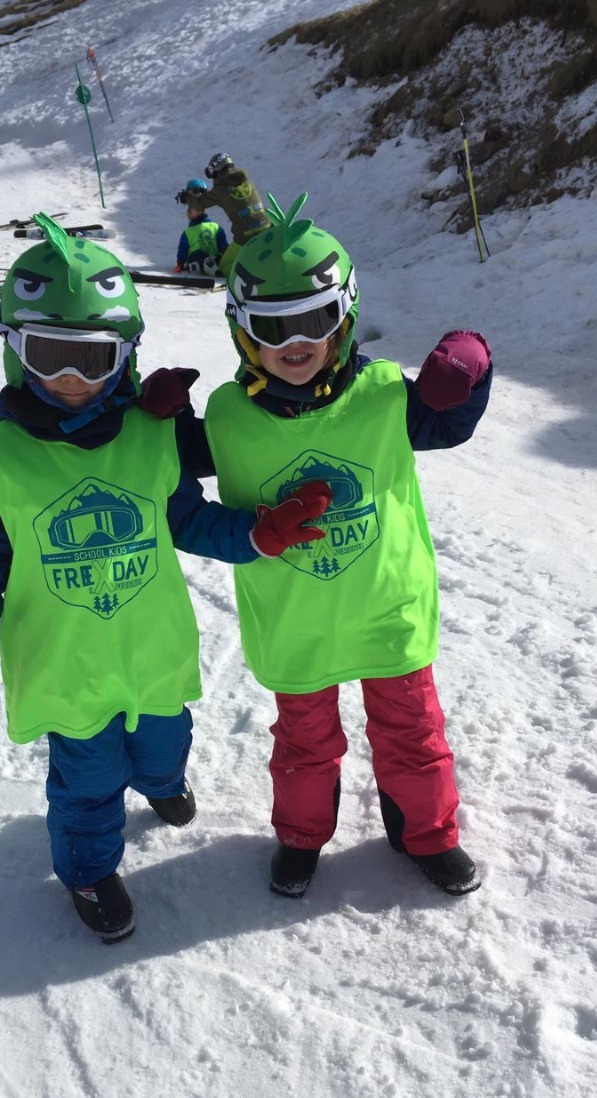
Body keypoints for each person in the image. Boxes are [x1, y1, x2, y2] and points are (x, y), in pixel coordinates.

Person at [0, 213, 329, 944]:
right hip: (68, 666)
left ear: (128, 355)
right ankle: (89, 867)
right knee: (87, 782)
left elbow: (190, 520)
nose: (74, 380)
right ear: (16, 351)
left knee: (163, 742)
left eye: (97, 358)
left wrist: (256, 535)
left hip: (151, 653)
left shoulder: (152, 438)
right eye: (50, 354)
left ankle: (162, 781)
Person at [140, 194, 493, 900]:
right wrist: (152, 422)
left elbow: (448, 422)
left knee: (413, 733)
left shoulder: (385, 395)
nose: (295, 342)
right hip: (296, 618)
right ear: (243, 332)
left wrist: (470, 366)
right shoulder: (233, 417)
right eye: (273, 328)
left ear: (347, 314)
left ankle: (427, 834)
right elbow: (171, 477)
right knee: (302, 744)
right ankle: (302, 838)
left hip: (385, 608)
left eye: (315, 321)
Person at [176, 153, 271, 275]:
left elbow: (200, 202)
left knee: (224, 267)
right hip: (267, 227)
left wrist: (186, 197)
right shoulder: (247, 181)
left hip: (245, 236)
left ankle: (252, 270)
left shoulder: (220, 190)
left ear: (216, 172)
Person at [174, 177, 228, 275]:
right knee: (202, 256)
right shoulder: (215, 227)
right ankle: (209, 266)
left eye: (191, 211)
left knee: (199, 255)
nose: (190, 214)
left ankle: (207, 266)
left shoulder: (189, 232)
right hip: (208, 258)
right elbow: (223, 247)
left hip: (207, 257)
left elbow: (183, 250)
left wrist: (180, 264)